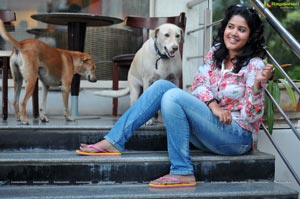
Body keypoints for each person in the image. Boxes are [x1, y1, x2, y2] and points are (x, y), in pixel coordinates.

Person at [77, 4, 274, 188]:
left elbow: (250, 118)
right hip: (209, 125)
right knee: (162, 85)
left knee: (172, 97)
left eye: (241, 29)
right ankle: (114, 140)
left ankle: (182, 171)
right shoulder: (216, 54)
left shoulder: (255, 65)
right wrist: (214, 106)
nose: (233, 33)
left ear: (251, 35)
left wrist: (257, 86)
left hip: (236, 137)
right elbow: (199, 85)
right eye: (231, 26)